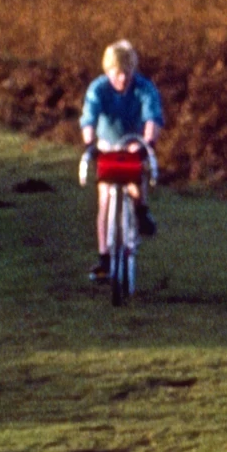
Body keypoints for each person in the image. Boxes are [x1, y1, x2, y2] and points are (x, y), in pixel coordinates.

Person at [78, 39, 165, 280]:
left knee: (135, 180)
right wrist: (90, 144)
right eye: (117, 74)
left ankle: (141, 212)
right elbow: (89, 118)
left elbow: (153, 117)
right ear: (108, 72)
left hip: (133, 141)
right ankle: (104, 257)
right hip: (106, 143)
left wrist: (147, 143)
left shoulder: (144, 88)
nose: (122, 79)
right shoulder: (98, 89)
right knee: (104, 199)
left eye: (127, 73)